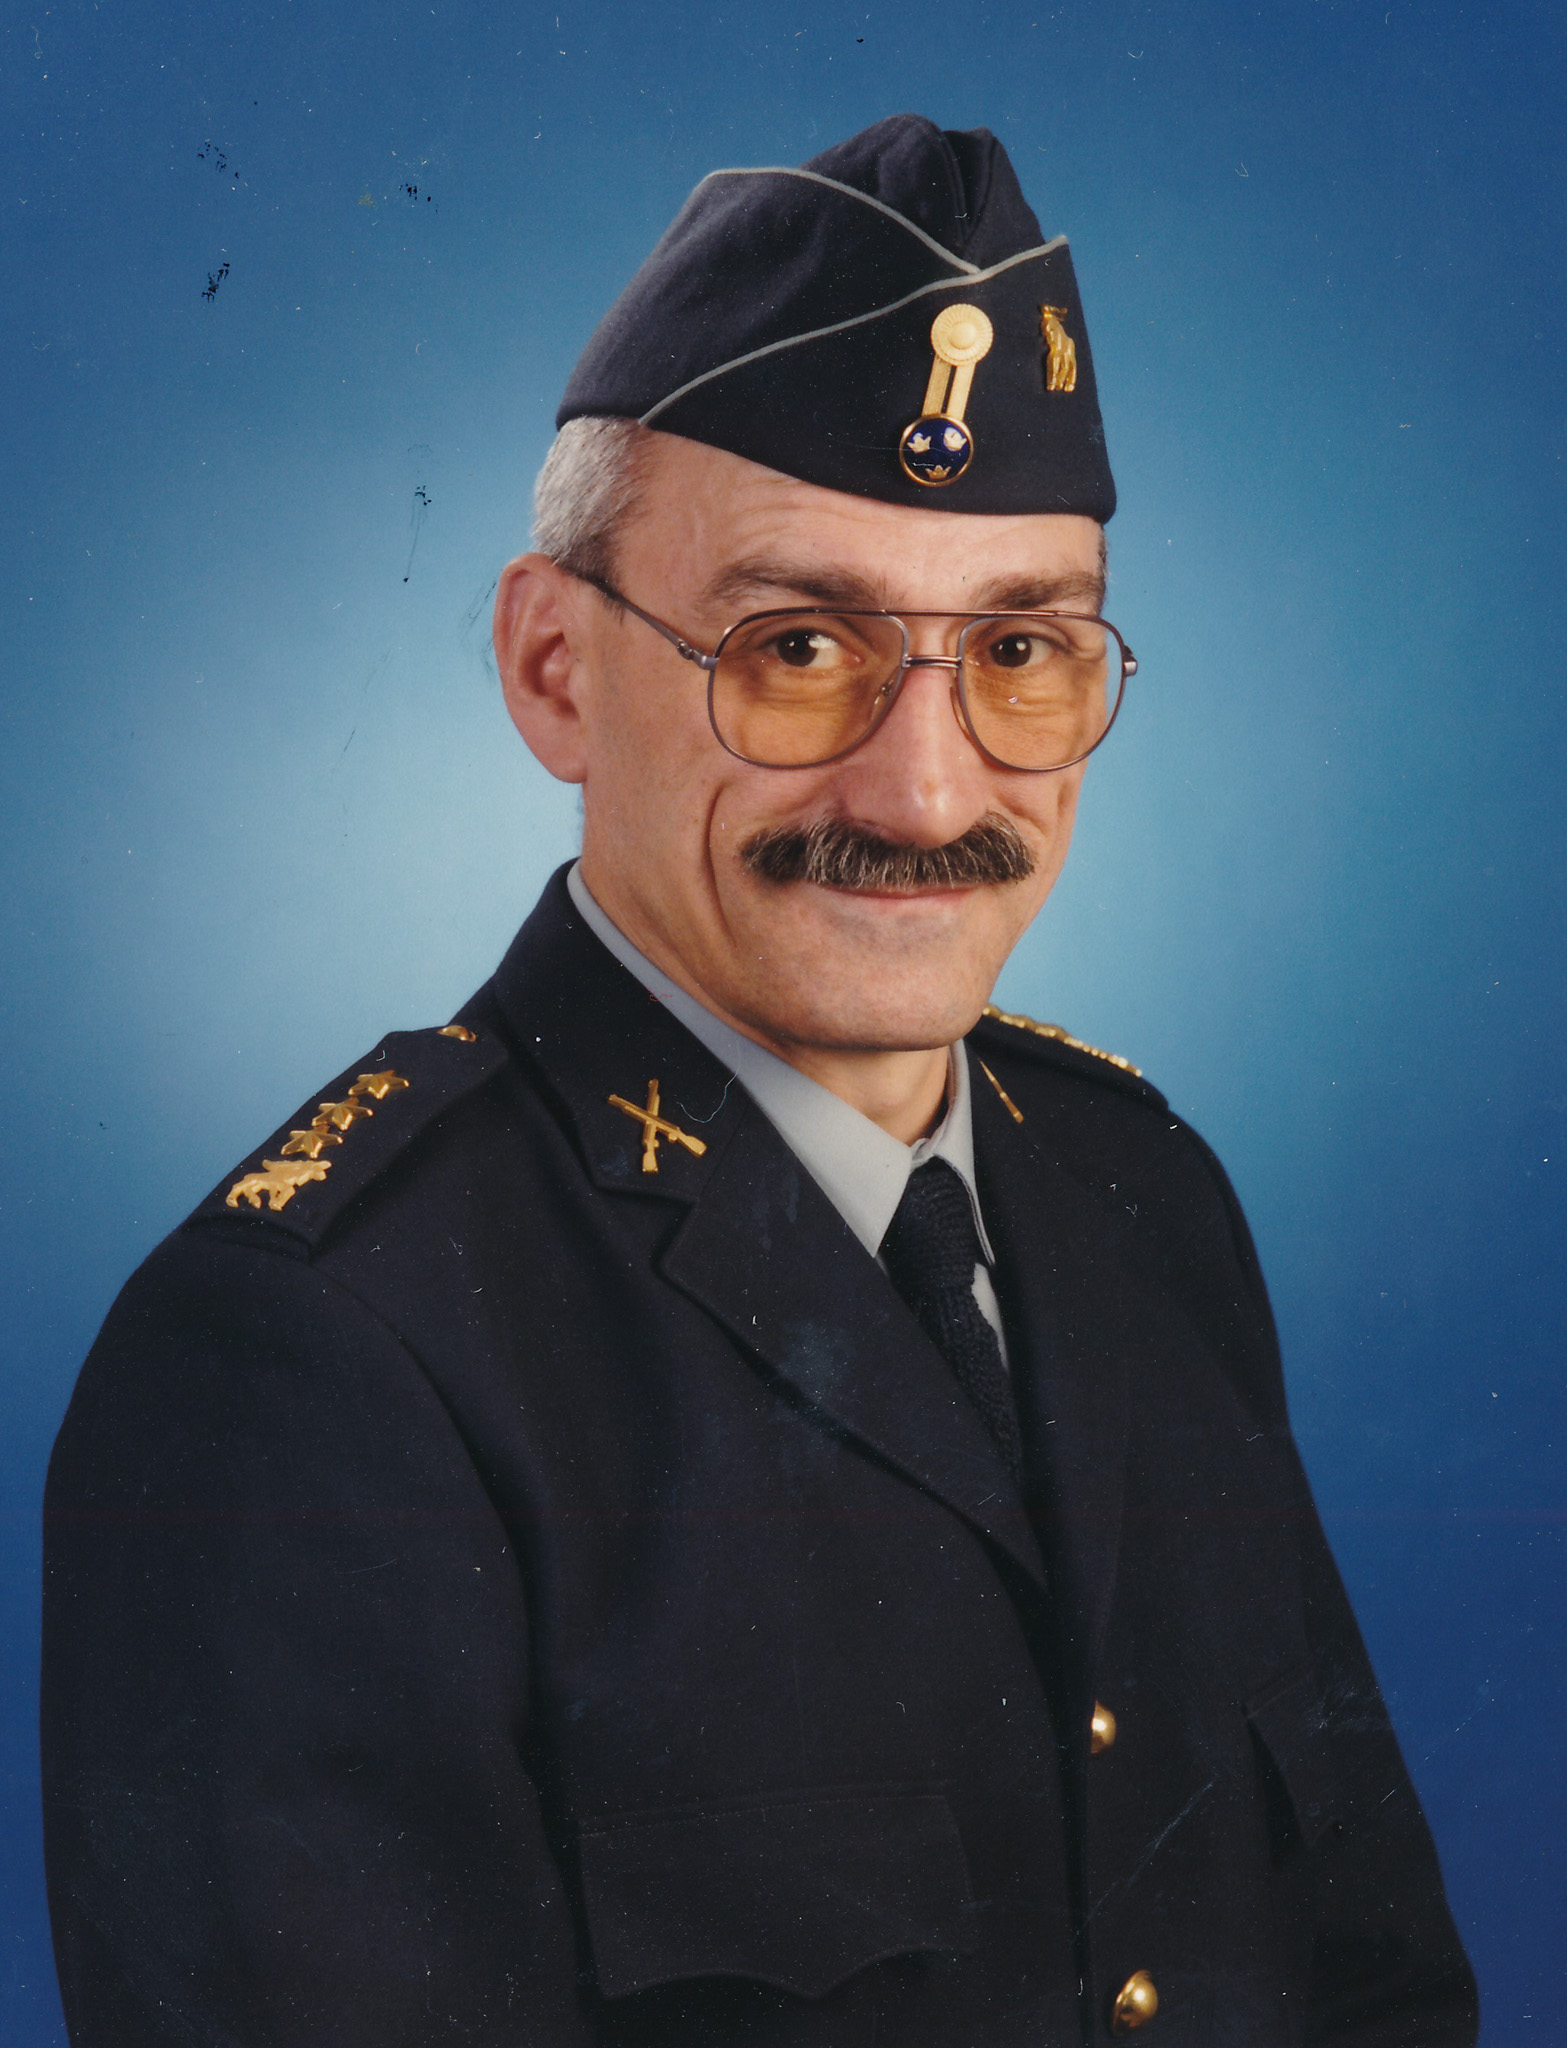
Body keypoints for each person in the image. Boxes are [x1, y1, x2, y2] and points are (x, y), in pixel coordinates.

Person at [41, 115, 1478, 2047]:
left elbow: (1377, 1985)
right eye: (797, 646)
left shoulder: (1144, 1201)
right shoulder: (322, 1356)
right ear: (555, 669)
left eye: (1022, 648)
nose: (930, 790)